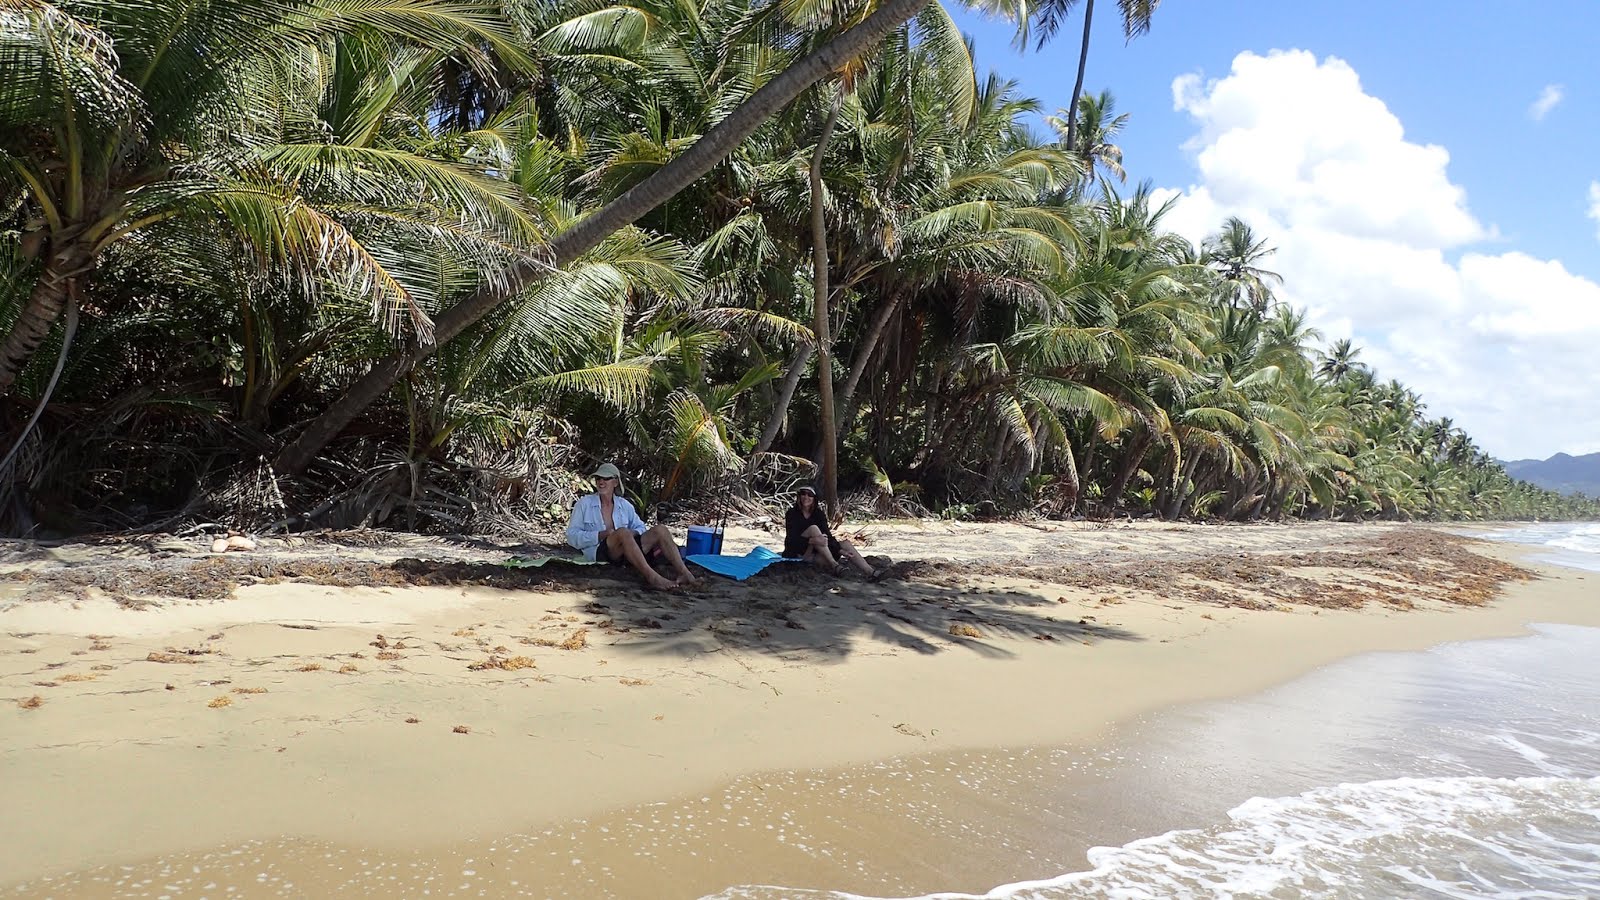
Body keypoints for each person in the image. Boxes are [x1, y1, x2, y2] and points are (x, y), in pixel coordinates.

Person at [567, 463, 700, 590]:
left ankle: (684, 573)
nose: (601, 482)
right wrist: (600, 535)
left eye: (606, 478)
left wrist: (633, 533)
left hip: (628, 550)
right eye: (598, 478)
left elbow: (641, 527)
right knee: (622, 532)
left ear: (615, 482)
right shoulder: (584, 504)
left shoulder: (624, 505)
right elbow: (571, 536)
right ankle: (652, 577)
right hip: (600, 551)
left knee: (661, 529)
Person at [782, 485, 885, 579]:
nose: (806, 497)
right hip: (800, 552)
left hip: (819, 552)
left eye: (810, 495)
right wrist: (811, 541)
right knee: (813, 529)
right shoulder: (792, 514)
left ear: (814, 498)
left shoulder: (818, 514)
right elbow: (791, 539)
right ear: (799, 496)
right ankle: (835, 565)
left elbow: (827, 536)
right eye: (803, 494)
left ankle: (871, 572)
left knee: (845, 544)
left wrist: (840, 550)